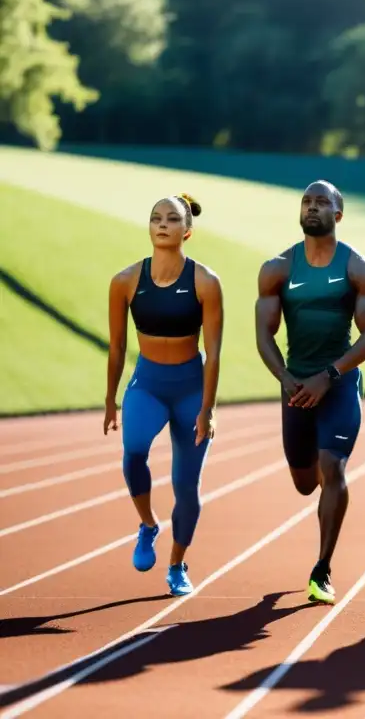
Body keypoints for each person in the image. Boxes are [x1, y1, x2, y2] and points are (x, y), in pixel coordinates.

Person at [254, 179, 365, 605]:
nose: (312, 207)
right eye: (307, 201)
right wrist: (286, 378)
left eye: (321, 202)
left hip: (338, 381)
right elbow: (264, 335)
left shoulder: (358, 268)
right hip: (295, 386)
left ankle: (322, 568)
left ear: (338, 215)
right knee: (304, 482)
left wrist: (329, 375)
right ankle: (320, 552)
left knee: (334, 468)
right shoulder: (277, 269)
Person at [104, 192, 223, 597]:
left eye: (172, 219)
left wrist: (207, 409)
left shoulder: (206, 282)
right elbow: (117, 346)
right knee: (133, 450)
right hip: (149, 383)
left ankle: (176, 565)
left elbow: (214, 353)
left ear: (187, 231)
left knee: (187, 487)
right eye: (156, 217)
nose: (162, 223)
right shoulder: (124, 282)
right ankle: (148, 524)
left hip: (190, 387)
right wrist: (109, 398)